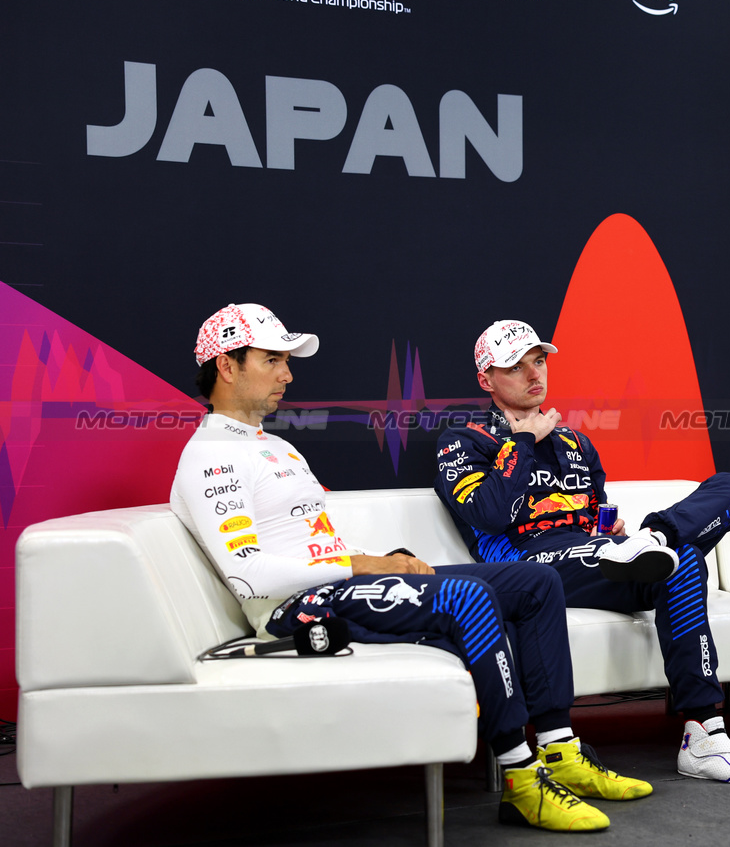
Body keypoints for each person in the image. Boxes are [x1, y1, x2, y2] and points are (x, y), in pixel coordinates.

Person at [171, 303, 652, 833]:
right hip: (297, 610)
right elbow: (249, 576)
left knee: (534, 582)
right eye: (272, 360)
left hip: (340, 585)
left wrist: (381, 563)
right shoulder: (210, 457)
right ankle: (521, 780)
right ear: (226, 366)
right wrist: (365, 565)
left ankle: (561, 751)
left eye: (287, 361)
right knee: (468, 600)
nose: (288, 374)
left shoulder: (276, 448)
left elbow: (311, 544)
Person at [432, 319, 730, 784]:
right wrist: (524, 440)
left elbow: (592, 515)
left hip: (595, 556)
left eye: (539, 361)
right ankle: (707, 730)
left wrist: (617, 533)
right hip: (526, 567)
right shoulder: (463, 441)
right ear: (486, 379)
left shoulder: (576, 443)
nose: (535, 375)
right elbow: (491, 512)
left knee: (726, 493)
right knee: (681, 560)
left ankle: (702, 732)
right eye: (516, 367)